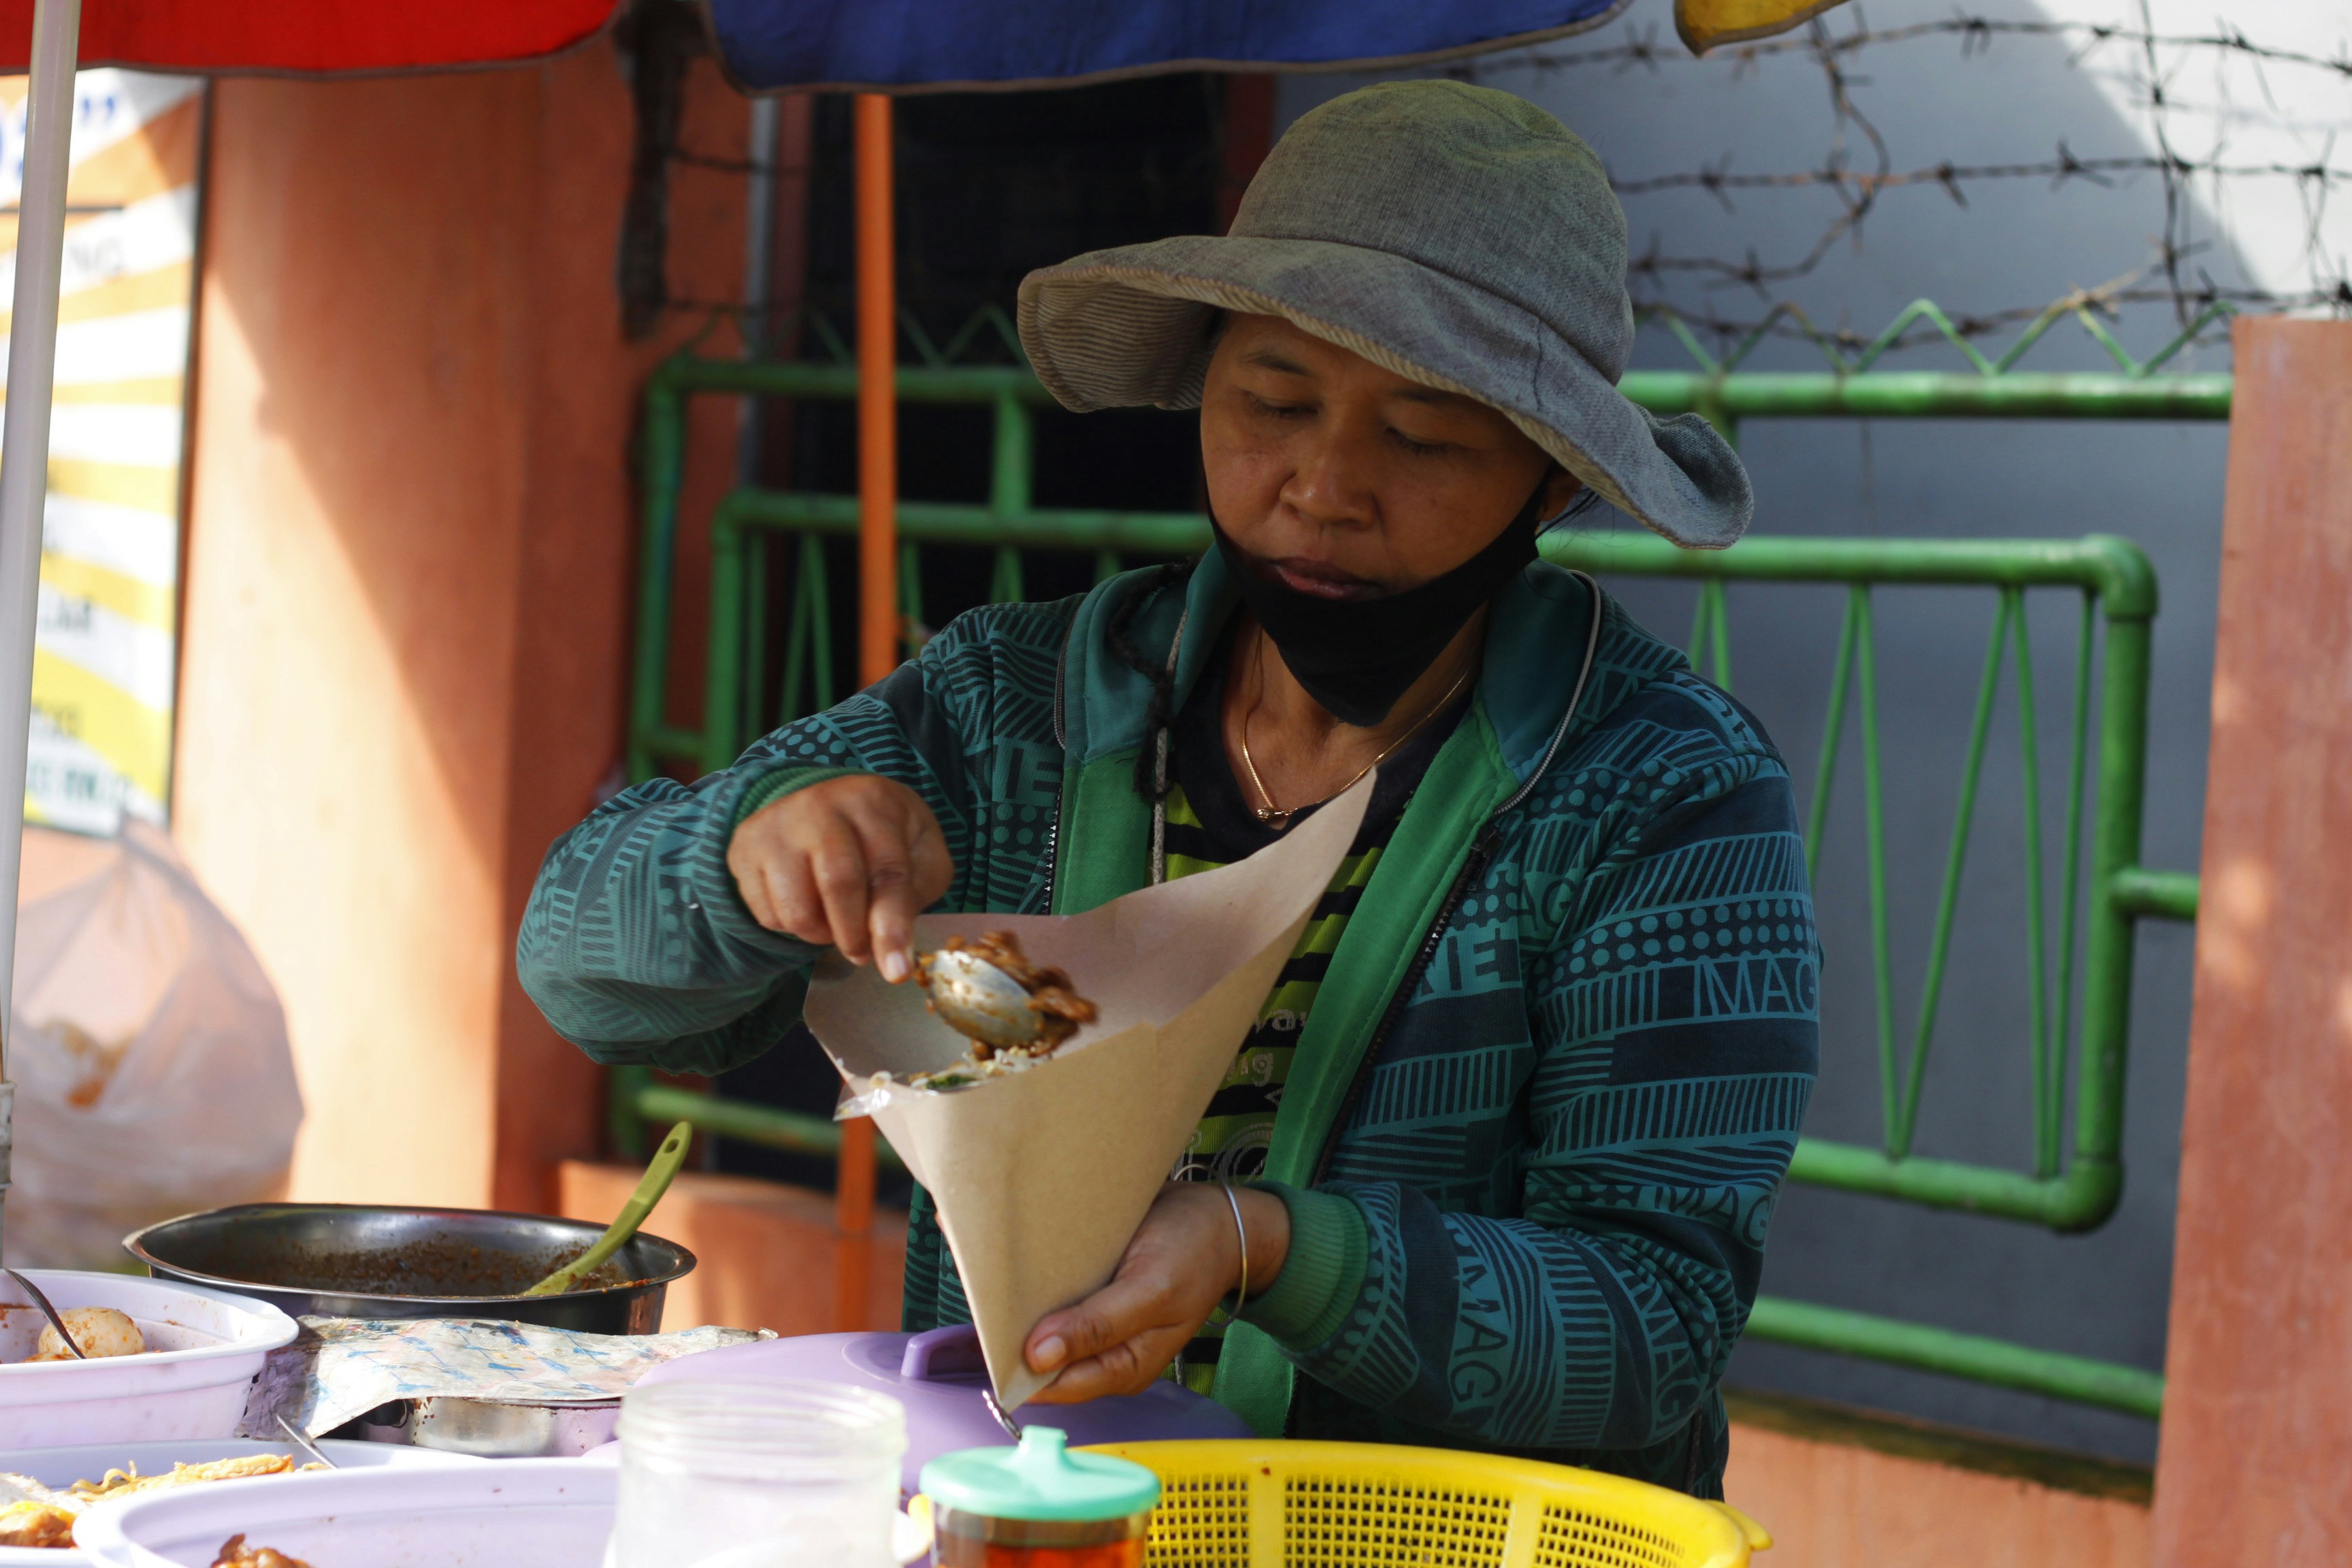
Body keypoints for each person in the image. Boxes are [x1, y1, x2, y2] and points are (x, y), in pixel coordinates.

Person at [518, 80, 1817, 1498]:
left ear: (1552, 483)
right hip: (1030, 1523)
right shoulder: (1013, 707)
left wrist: (1266, 1248)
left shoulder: (1663, 796)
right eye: (1273, 399)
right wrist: (740, 861)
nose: (1324, 482)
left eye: (1427, 437)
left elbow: (1654, 1322)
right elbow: (578, 970)